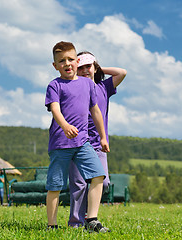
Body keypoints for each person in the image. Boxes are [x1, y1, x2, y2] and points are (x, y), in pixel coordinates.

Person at [45, 41, 110, 233]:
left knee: (98, 175)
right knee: (55, 185)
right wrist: (64, 125)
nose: (67, 63)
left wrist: (103, 137)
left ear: (77, 60)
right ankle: (52, 225)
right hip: (60, 144)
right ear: (55, 66)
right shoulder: (54, 85)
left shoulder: (88, 84)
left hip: (83, 143)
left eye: (71, 59)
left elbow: (96, 111)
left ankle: (92, 220)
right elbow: (55, 109)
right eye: (62, 61)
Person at [68, 52, 127, 227]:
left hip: (99, 145)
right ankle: (76, 223)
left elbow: (121, 72)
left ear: (95, 67)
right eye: (81, 67)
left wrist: (99, 67)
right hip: (77, 143)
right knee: (78, 185)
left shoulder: (104, 87)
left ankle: (89, 216)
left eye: (89, 66)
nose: (85, 70)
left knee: (104, 182)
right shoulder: (73, 88)